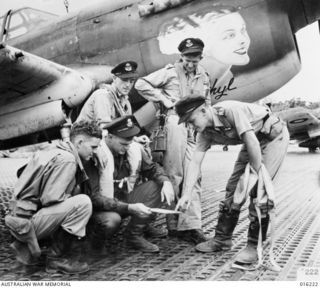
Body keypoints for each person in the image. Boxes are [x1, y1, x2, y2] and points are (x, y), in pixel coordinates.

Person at [175, 96, 289, 264]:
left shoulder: (229, 111)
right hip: (251, 139)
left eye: (191, 120)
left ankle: (253, 246)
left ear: (204, 110)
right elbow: (195, 162)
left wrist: (258, 174)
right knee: (233, 187)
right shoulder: (205, 132)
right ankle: (222, 238)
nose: (191, 126)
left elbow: (252, 142)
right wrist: (186, 194)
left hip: (272, 137)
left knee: (259, 190)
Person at [134, 38, 210, 244]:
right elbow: (141, 84)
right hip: (175, 124)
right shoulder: (169, 72)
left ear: (200, 57)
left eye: (195, 60)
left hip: (194, 128)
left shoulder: (204, 76)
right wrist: (162, 98)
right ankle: (172, 226)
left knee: (195, 176)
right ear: (181, 57)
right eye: (187, 59)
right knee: (174, 176)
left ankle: (191, 226)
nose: (191, 64)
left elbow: (207, 102)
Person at [5, 121, 102, 274]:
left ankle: (30, 246)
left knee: (74, 200)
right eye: (93, 147)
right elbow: (51, 198)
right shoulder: (67, 159)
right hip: (27, 224)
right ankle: (56, 259)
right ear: (80, 142)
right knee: (82, 203)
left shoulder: (55, 149)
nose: (95, 151)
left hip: (20, 219)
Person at [82, 115, 175, 253]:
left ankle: (134, 234)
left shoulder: (134, 149)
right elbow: (93, 197)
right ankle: (91, 244)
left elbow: (153, 169)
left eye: (129, 144)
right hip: (101, 206)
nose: (127, 148)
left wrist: (166, 182)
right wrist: (129, 207)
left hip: (124, 200)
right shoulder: (95, 154)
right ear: (110, 137)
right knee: (111, 221)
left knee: (159, 186)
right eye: (123, 144)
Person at [76, 61, 149, 197]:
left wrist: (136, 139)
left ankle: (130, 194)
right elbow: (104, 129)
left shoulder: (125, 101)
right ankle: (107, 200)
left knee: (136, 150)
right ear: (114, 79)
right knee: (107, 160)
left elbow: (123, 129)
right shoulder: (103, 95)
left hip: (105, 136)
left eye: (132, 81)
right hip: (87, 139)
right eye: (124, 80)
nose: (128, 85)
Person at [157, 5, 251, 102]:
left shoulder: (226, 77)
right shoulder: (181, 88)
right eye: (230, 35)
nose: (243, 40)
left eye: (243, 30)